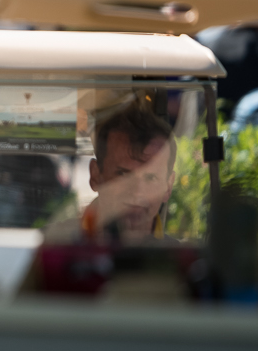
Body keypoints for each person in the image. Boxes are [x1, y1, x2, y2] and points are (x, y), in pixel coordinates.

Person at [46, 100, 178, 244]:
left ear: (168, 186)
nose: (137, 192)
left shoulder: (183, 256)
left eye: (150, 178)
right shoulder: (54, 246)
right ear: (95, 176)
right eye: (123, 175)